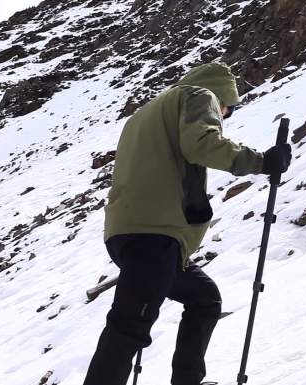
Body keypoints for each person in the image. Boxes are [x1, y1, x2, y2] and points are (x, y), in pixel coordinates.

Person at [83, 62, 292, 385]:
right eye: (228, 109)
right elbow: (201, 144)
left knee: (204, 298)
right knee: (128, 327)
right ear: (223, 96)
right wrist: (263, 162)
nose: (224, 116)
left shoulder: (145, 114)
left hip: (131, 233)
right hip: (155, 235)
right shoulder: (199, 95)